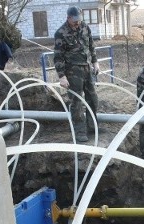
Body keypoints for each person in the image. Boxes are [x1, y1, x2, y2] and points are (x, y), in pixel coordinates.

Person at [54, 6, 100, 143]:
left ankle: (92, 127)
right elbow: (58, 56)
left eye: (79, 20)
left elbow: (91, 45)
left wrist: (95, 62)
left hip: (87, 69)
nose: (77, 23)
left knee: (93, 98)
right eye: (75, 21)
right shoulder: (61, 33)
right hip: (72, 71)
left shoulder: (85, 27)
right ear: (68, 18)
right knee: (76, 101)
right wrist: (61, 76)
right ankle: (80, 131)